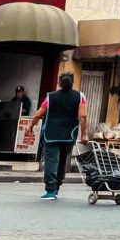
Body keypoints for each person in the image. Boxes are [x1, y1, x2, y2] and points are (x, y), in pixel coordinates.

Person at [28, 73, 88, 201]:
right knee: (62, 160)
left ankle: (50, 190)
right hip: (69, 133)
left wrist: (30, 126)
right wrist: (84, 134)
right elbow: (83, 116)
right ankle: (57, 187)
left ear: (59, 83)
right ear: (73, 82)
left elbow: (39, 114)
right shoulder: (80, 96)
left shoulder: (51, 97)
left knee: (51, 160)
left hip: (51, 133)